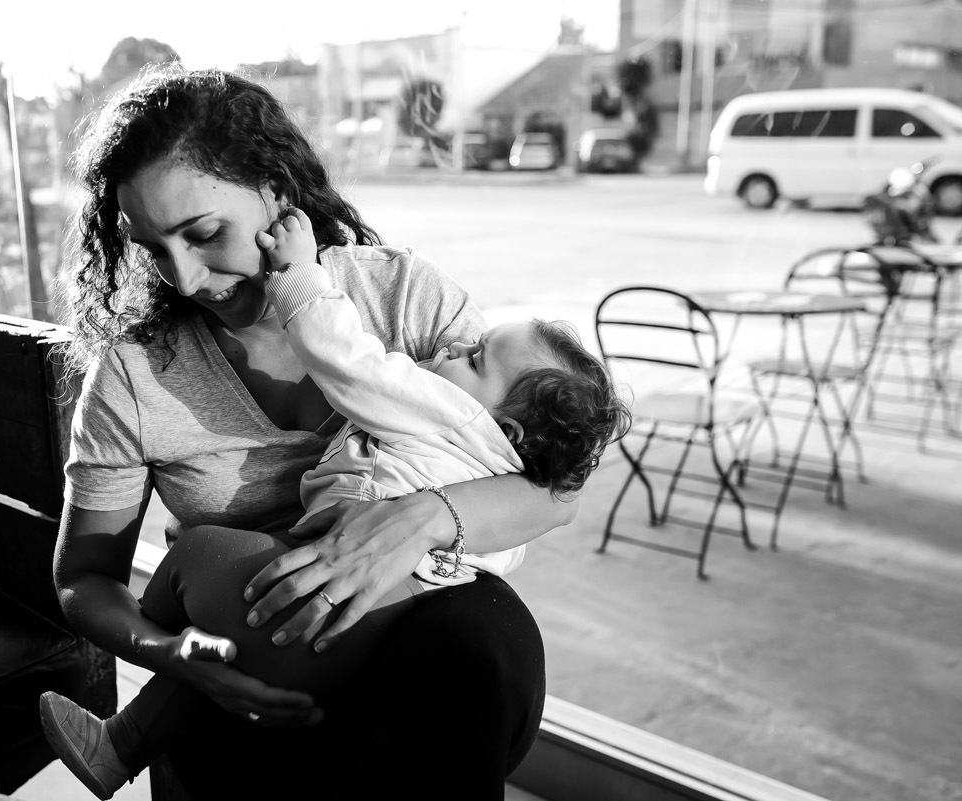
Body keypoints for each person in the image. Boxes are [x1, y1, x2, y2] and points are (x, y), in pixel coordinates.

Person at [48, 62, 594, 801]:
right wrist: (176, 654)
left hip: (413, 666)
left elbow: (552, 484)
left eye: (204, 233)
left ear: (275, 189)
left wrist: (425, 518)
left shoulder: (395, 294)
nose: (182, 278)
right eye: (152, 247)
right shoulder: (138, 373)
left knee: (477, 637)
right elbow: (85, 579)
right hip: (245, 662)